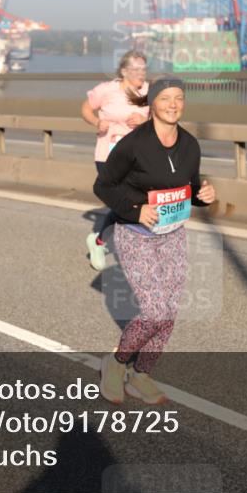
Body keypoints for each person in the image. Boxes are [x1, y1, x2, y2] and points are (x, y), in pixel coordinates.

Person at [94, 76, 216, 405]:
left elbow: (189, 187)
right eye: (165, 98)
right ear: (153, 104)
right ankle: (116, 363)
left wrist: (203, 195)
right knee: (154, 310)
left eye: (179, 98)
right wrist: (135, 211)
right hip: (135, 234)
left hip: (173, 234)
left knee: (169, 313)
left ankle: (141, 374)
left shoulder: (190, 144)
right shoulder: (134, 144)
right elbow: (103, 185)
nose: (173, 104)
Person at [80, 51, 149, 270]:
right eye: (136, 69)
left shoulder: (147, 91)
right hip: (108, 155)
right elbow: (86, 108)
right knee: (126, 204)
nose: (141, 73)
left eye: (144, 69)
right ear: (124, 71)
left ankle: (99, 241)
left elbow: (161, 116)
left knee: (133, 204)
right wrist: (96, 122)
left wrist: (145, 120)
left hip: (137, 157)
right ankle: (110, 245)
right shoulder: (107, 89)